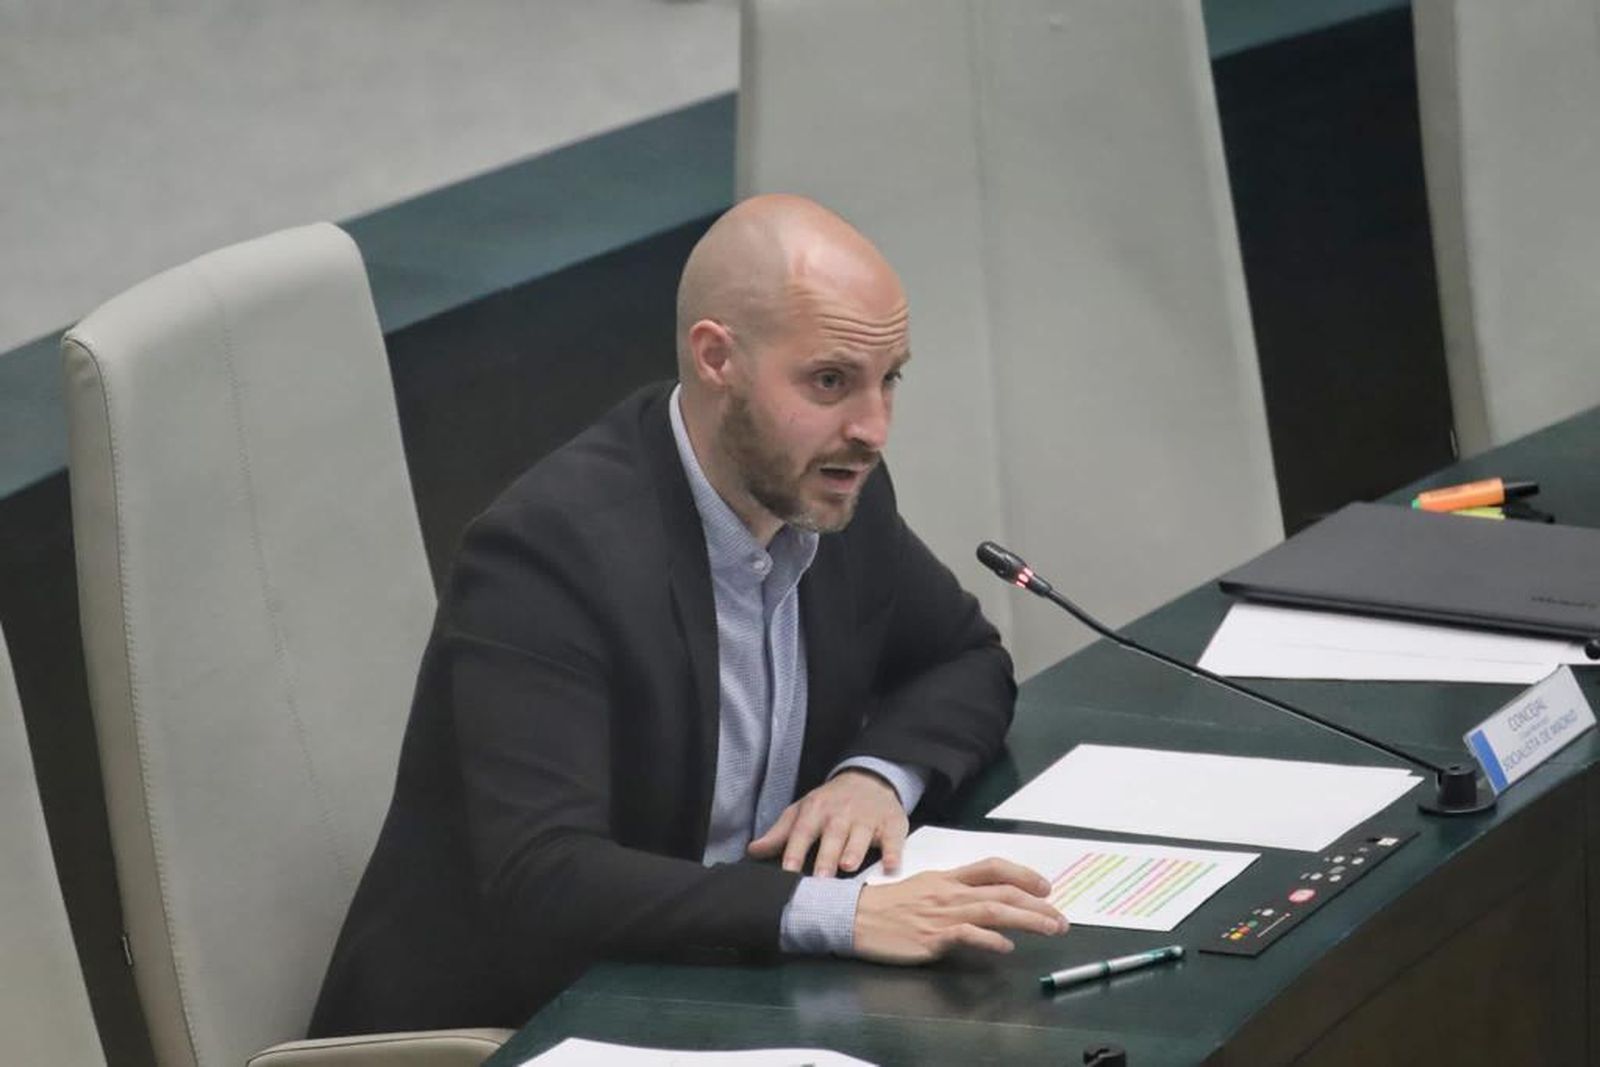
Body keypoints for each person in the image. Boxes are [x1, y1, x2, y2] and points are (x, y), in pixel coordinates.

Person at [309, 194, 1066, 1036]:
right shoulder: (546, 553)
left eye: (889, 379)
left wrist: (873, 775)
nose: (872, 427)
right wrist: (834, 911)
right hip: (523, 1023)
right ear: (717, 359)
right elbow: (546, 876)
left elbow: (963, 659)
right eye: (830, 381)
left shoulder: (830, 485)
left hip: (726, 988)